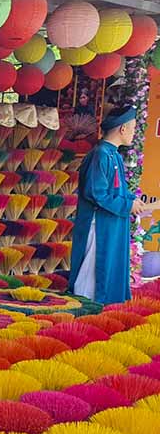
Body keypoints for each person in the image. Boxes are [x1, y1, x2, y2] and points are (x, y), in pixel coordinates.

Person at [69, 104, 149, 305]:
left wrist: (131, 200)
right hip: (99, 223)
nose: (133, 133)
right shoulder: (101, 154)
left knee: (108, 264)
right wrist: (127, 206)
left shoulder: (113, 154)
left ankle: (102, 305)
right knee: (94, 267)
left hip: (111, 221)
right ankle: (85, 306)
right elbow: (97, 193)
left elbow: (116, 191)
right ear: (122, 129)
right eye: (132, 128)